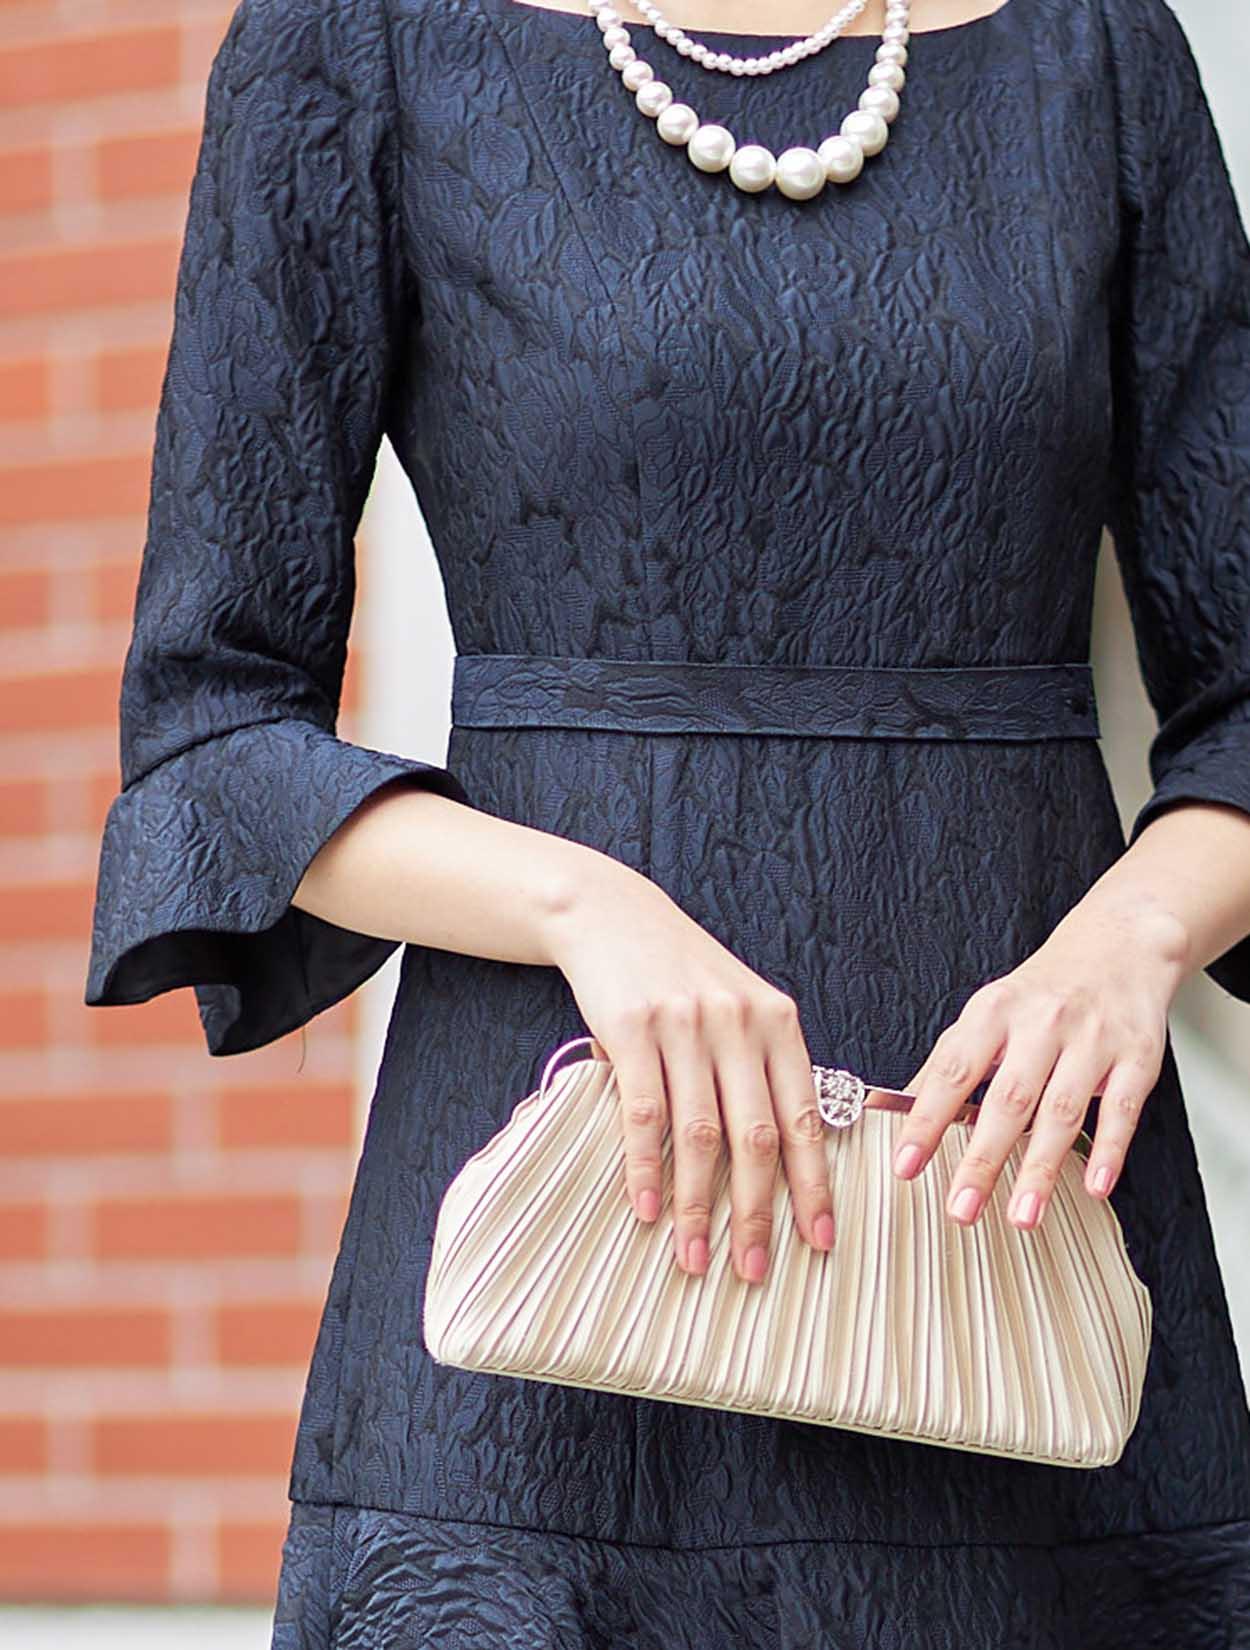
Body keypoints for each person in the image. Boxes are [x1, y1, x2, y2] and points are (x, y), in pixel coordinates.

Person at [84, 0, 1250, 1641]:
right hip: (558, 1274)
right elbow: (211, 726)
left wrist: (1137, 931)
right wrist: (582, 906)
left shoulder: (1101, 55)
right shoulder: (359, 42)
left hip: (1014, 1265)